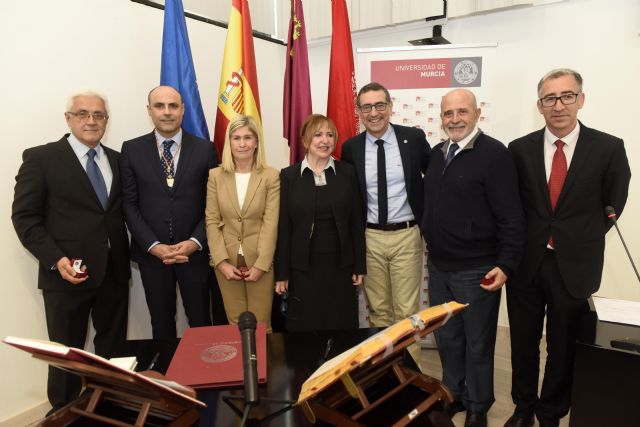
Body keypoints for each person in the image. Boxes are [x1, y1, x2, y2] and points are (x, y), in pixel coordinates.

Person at [505, 69, 631, 427]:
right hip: (527, 264)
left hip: (574, 266)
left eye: (566, 96)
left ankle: (551, 413)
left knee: (562, 348)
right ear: (539, 105)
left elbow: (613, 205)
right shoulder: (520, 149)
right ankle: (523, 407)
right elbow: (513, 206)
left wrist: (577, 239)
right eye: (550, 98)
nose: (558, 105)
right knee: (524, 345)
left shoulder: (608, 148)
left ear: (581, 100)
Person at [11, 91, 131, 413]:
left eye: (99, 115)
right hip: (65, 275)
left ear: (107, 120)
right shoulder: (41, 158)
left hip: (114, 275)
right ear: (68, 118)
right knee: (66, 354)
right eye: (82, 114)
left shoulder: (120, 160)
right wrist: (55, 259)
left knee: (112, 350)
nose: (91, 121)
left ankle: (109, 407)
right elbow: (25, 218)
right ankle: (64, 413)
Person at [421, 89, 525, 427]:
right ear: (441, 117)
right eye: (448, 113)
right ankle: (455, 393)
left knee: (478, 342)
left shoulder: (495, 154)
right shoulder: (438, 153)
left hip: (477, 268)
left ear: (477, 113)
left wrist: (506, 264)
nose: (454, 119)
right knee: (448, 338)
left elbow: (511, 215)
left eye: (462, 112)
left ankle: (479, 405)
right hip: (439, 267)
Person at [120, 85, 219, 339]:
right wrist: (153, 245)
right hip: (153, 256)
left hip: (194, 255)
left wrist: (195, 242)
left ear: (183, 110)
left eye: (173, 106)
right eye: (159, 106)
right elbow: (129, 204)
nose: (167, 112)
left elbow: (214, 203)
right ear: (149, 111)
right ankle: (164, 376)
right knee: (161, 324)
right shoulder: (131, 149)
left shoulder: (205, 149)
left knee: (201, 323)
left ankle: (205, 376)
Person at [341, 82, 430, 328]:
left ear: (390, 107)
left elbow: (435, 179)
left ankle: (408, 368)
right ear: (359, 111)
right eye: (366, 107)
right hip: (369, 238)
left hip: (406, 235)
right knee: (378, 312)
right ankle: (384, 368)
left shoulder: (413, 138)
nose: (374, 113)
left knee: (407, 313)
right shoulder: (351, 148)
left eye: (380, 105)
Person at [275, 114, 365, 331]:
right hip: (303, 268)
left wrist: (360, 265)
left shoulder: (347, 173)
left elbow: (356, 222)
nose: (325, 140)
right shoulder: (289, 176)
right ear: (306, 140)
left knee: (341, 325)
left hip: (341, 266)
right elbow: (284, 228)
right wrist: (282, 274)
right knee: (306, 327)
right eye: (318, 135)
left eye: (330, 135)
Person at [205, 115, 279, 331]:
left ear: (256, 142)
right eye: (236, 138)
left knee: (261, 324)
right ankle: (240, 366)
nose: (242, 143)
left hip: (259, 261)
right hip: (226, 261)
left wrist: (261, 264)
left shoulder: (270, 176)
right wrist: (220, 262)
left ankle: (264, 366)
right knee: (234, 324)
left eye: (248, 137)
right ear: (229, 142)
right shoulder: (215, 176)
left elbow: (270, 222)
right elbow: (211, 219)